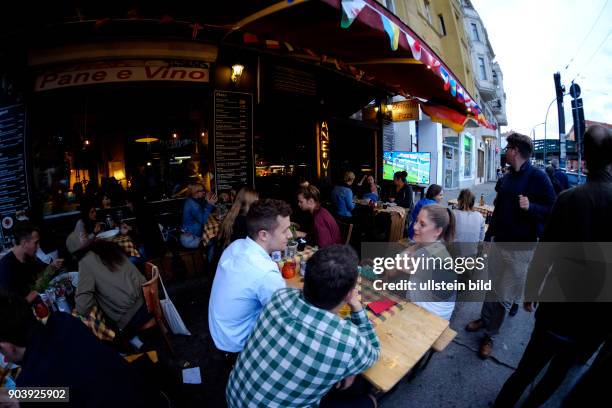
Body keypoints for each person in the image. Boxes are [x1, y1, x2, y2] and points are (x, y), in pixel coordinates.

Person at [493, 125, 612, 407]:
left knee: (527, 370)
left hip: (557, 310)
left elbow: (546, 252)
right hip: (597, 318)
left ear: (584, 161)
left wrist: (532, 292)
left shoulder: (569, 199)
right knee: (556, 376)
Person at [226, 245, 380, 408]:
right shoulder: (347, 341)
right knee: (369, 402)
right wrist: (356, 306)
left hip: (234, 396)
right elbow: (374, 351)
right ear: (349, 294)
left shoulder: (280, 296)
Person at [466, 132, 556, 359]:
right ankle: (484, 320)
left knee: (503, 295)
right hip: (500, 243)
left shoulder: (538, 177)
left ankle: (490, 336)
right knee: (491, 287)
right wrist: (488, 239)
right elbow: (498, 211)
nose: (505, 152)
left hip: (521, 249)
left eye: (507, 149)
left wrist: (531, 207)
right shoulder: (507, 177)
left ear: (515, 150)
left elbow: (553, 207)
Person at [0, 292, 165, 408]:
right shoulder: (63, 321)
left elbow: (55, 389)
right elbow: (65, 391)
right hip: (145, 394)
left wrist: (24, 399)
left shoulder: (31, 381)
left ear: (5, 346)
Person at [208, 199, 291, 366]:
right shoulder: (265, 272)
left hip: (220, 331)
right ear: (263, 235)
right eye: (285, 231)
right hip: (235, 345)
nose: (290, 235)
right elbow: (285, 318)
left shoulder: (237, 245)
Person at [68, 234, 150, 339]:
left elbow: (82, 308)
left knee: (103, 328)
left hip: (134, 315)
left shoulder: (85, 261)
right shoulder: (106, 246)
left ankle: (134, 346)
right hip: (148, 298)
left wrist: (93, 294)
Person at [405, 205, 456, 320]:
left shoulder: (425, 254)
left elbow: (393, 269)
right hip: (441, 314)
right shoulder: (439, 246)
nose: (415, 226)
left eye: (422, 224)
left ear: (438, 231)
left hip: (429, 318)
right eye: (416, 221)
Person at [0, 224, 63, 303]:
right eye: (36, 243)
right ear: (24, 243)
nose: (38, 246)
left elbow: (42, 274)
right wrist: (37, 289)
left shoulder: (29, 258)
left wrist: (52, 267)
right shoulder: (6, 267)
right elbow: (13, 306)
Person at [180, 183, 217, 249]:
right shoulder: (193, 204)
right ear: (196, 193)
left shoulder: (192, 200)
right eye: (202, 191)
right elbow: (203, 220)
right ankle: (210, 258)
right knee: (214, 242)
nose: (204, 192)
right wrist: (210, 204)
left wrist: (207, 201)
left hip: (190, 232)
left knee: (212, 238)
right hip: (191, 238)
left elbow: (201, 212)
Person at [452, 189, 485, 257]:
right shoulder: (479, 216)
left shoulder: (453, 214)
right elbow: (481, 240)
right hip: (472, 253)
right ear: (473, 202)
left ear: (459, 201)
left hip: (456, 254)